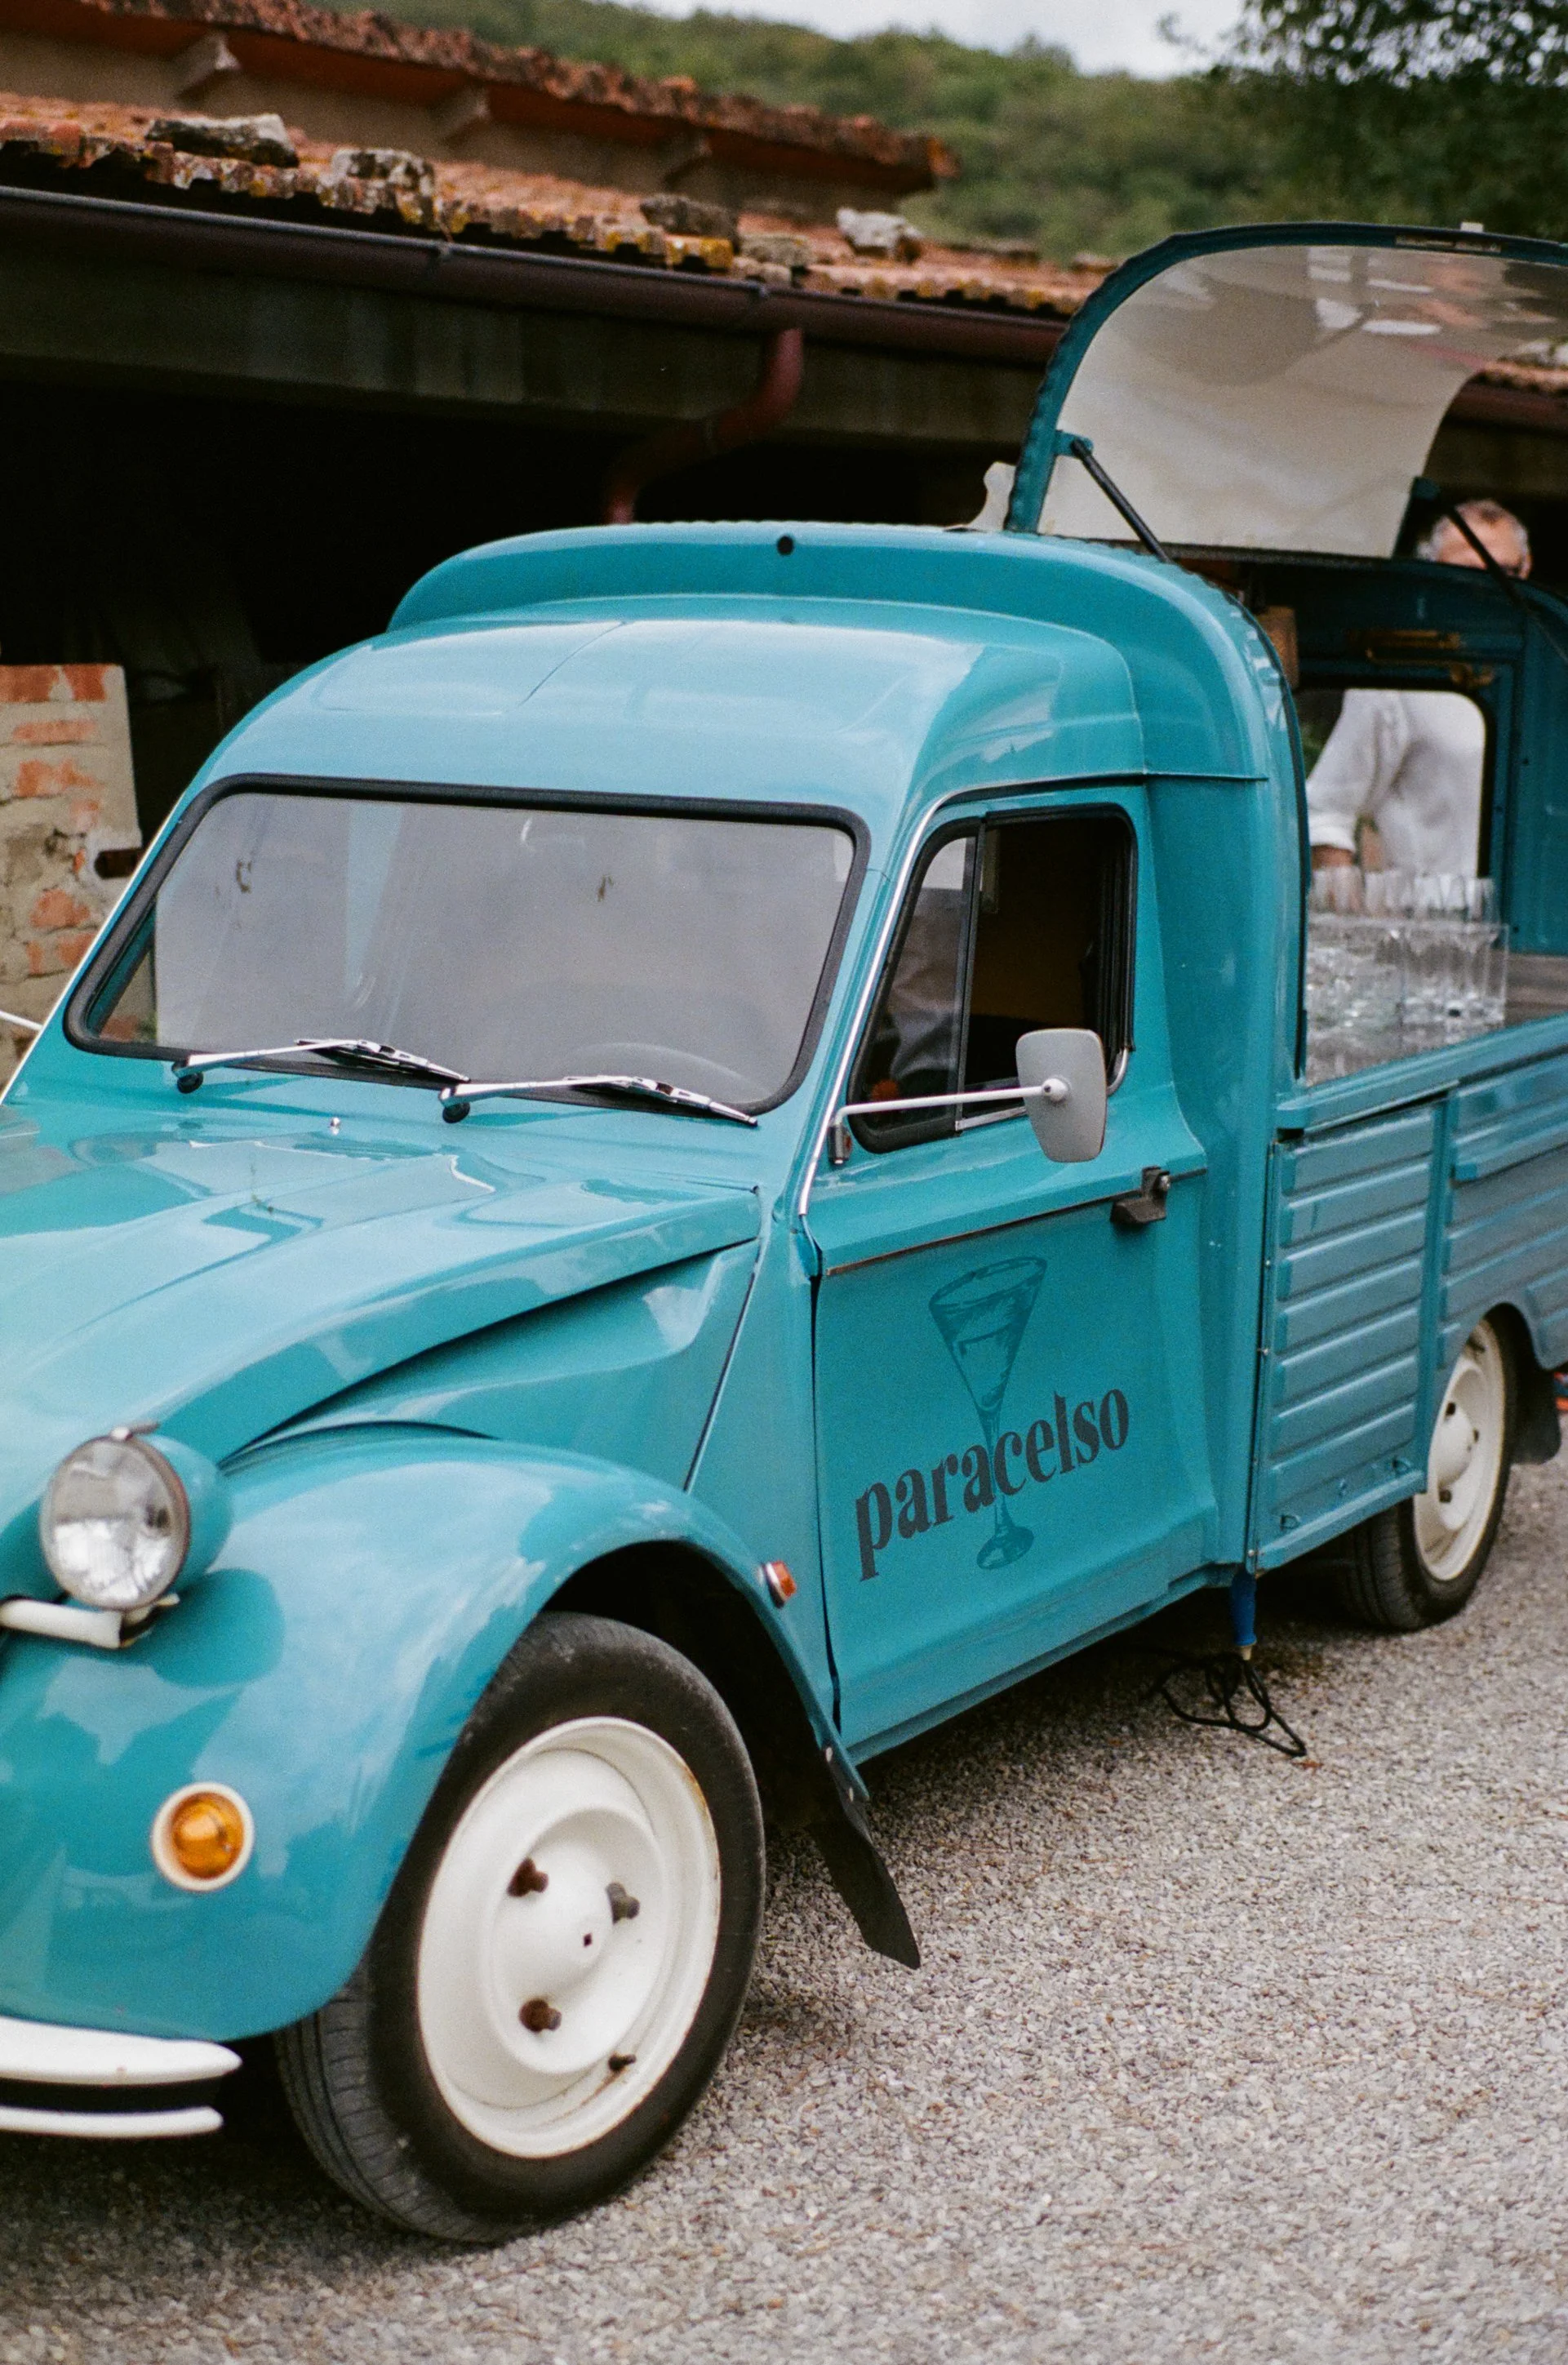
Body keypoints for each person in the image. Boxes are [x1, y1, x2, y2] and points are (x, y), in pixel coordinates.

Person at [1307, 499, 1530, 876]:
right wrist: (1347, 902)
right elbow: (1326, 813)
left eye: (1505, 573)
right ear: (1432, 571)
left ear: (1526, 568)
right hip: (1436, 909)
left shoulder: (1548, 673)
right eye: (1467, 574)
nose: (1488, 590)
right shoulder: (1401, 678)